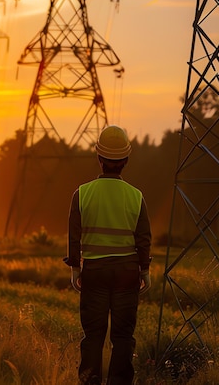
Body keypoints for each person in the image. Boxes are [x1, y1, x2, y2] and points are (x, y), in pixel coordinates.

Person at [64, 125, 152, 385]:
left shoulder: (82, 194)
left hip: (95, 272)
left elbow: (73, 237)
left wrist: (75, 269)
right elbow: (143, 239)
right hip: (127, 273)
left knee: (93, 335)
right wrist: (144, 271)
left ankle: (90, 381)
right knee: (123, 336)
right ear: (125, 160)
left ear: (99, 157)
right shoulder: (136, 197)